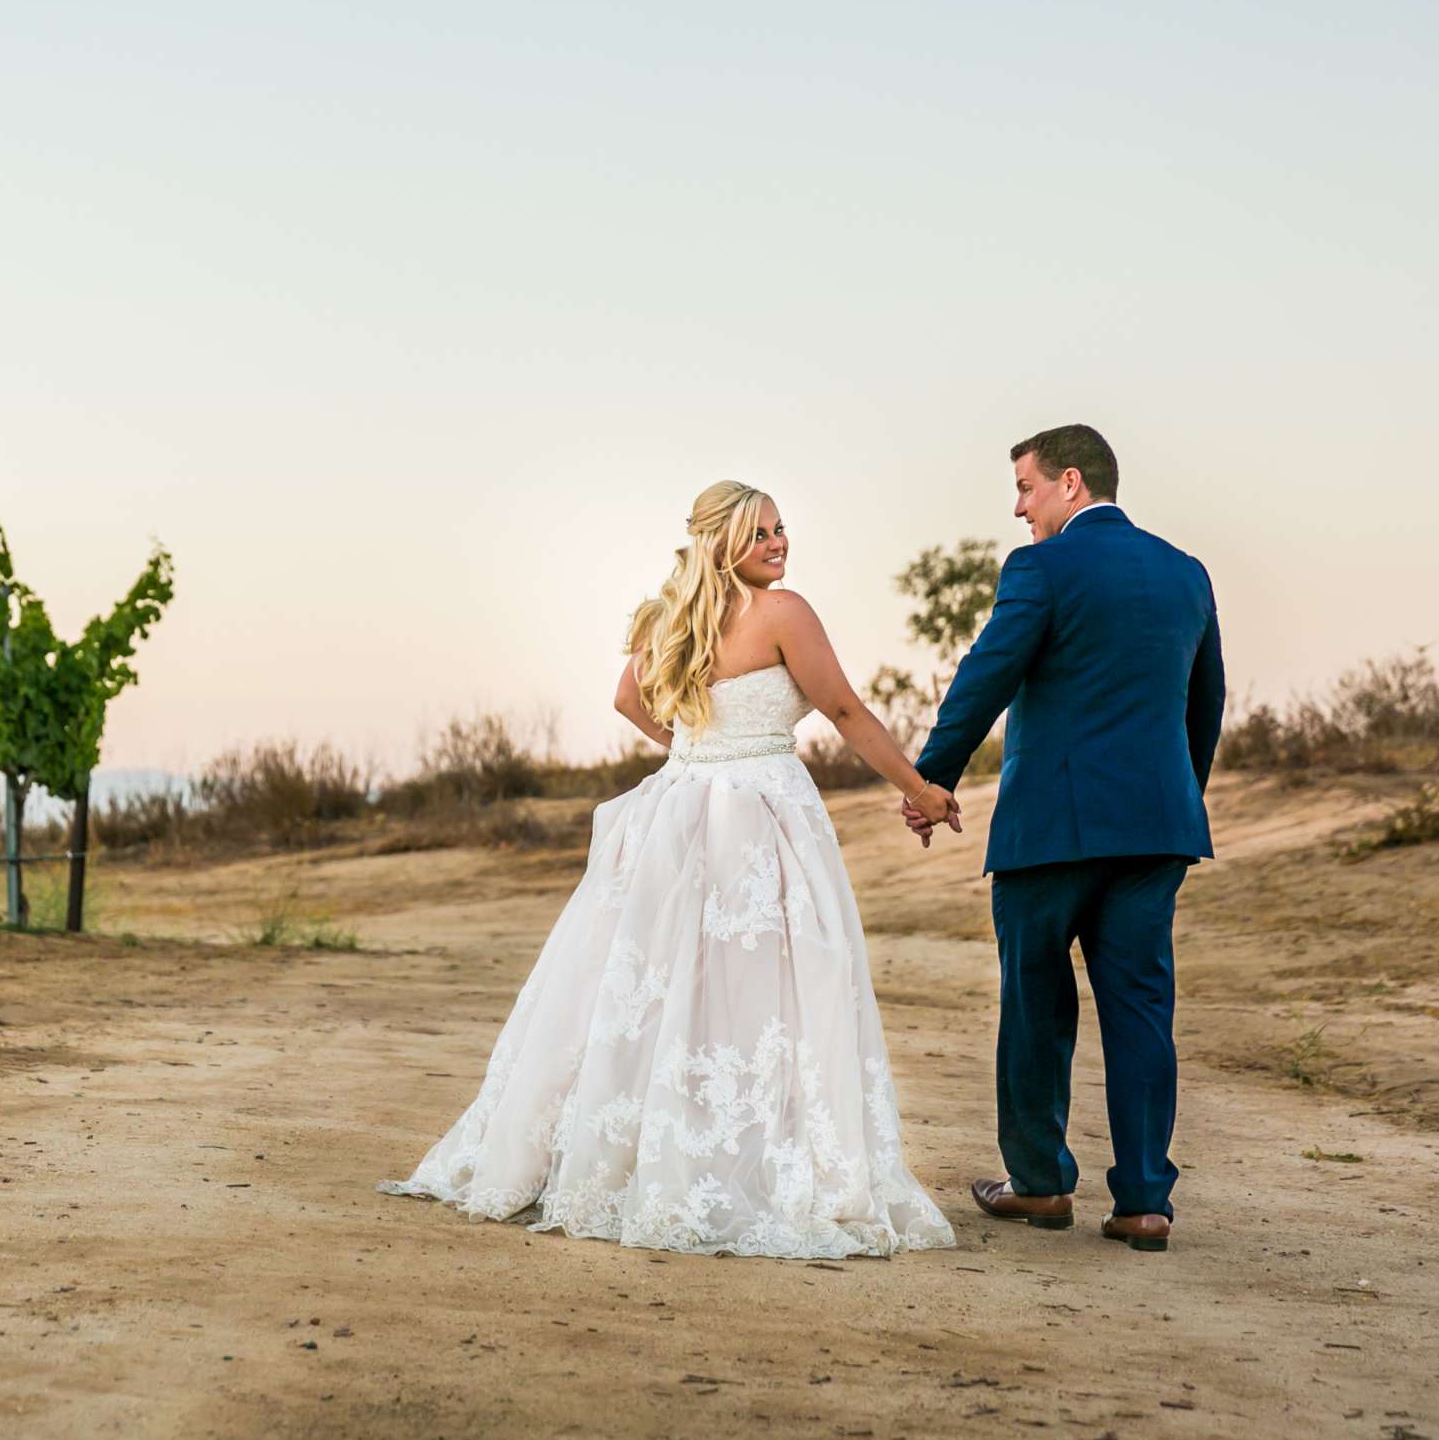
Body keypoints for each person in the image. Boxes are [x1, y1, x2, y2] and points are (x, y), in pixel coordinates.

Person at [379, 479, 957, 1258]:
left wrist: (695, 749)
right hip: (761, 813)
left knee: (657, 984)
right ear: (722, 541)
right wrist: (918, 788)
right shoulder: (784, 614)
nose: (779, 544)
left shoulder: (670, 614)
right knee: (766, 989)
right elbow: (847, 711)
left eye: (782, 529)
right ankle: (750, 1158)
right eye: (760, 535)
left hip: (679, 809)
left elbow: (627, 697)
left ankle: (634, 1155)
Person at [903, 424, 1223, 1253]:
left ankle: (1041, 1185)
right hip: (1156, 833)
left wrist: (929, 779)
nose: (1018, 507)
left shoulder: (1041, 568)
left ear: (1070, 483)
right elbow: (1206, 704)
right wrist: (1173, 799)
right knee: (1144, 1012)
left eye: (1025, 487)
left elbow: (987, 674)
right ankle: (1145, 1202)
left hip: (1050, 831)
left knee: (1035, 1007)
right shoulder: (1186, 574)